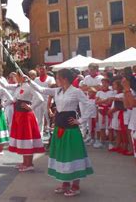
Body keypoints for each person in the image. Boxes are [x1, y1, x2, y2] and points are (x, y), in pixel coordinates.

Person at [29, 69, 94, 197]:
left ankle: (75, 186)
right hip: (59, 128)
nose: (56, 80)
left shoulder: (76, 91)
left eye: (58, 78)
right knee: (62, 155)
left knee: (73, 155)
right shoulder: (57, 91)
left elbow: (90, 105)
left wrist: (80, 120)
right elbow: (41, 90)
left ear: (64, 79)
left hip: (71, 130)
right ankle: (65, 183)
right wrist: (29, 80)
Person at [8, 71, 45, 172]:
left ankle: (29, 164)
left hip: (26, 116)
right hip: (18, 115)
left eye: (17, 76)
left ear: (22, 76)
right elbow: (15, 99)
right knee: (22, 138)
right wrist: (4, 104)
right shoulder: (19, 87)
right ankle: (25, 162)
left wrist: (31, 107)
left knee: (27, 138)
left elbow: (40, 99)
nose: (16, 78)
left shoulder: (29, 86)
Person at [33, 65, 56, 138]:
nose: (41, 71)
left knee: (49, 119)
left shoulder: (51, 78)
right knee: (39, 120)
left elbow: (53, 88)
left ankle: (50, 137)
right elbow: (34, 90)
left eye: (43, 69)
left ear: (46, 70)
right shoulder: (36, 79)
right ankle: (39, 136)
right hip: (38, 101)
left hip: (47, 102)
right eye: (40, 69)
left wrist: (51, 101)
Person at [123, 74, 136, 163]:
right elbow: (127, 105)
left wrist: (127, 88)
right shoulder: (133, 94)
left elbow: (133, 103)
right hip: (135, 126)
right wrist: (126, 90)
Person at [95, 78, 114, 149]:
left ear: (108, 84)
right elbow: (96, 102)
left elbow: (110, 102)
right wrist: (105, 100)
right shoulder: (99, 92)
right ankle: (102, 142)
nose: (104, 84)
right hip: (101, 111)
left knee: (109, 128)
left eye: (105, 83)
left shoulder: (112, 92)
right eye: (102, 83)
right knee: (102, 127)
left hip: (109, 111)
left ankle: (110, 142)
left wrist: (101, 101)